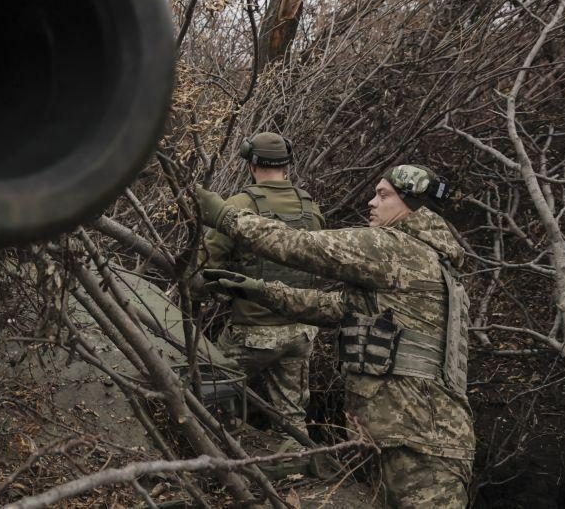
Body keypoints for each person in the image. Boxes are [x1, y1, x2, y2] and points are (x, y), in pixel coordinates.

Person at [197, 164, 475, 508]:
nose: (372, 203)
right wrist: (258, 290)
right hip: (415, 432)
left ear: (414, 205)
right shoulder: (427, 259)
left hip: (421, 439)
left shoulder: (396, 248)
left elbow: (302, 245)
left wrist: (226, 216)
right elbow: (336, 308)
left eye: (383, 195)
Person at [198, 132, 324, 445]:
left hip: (253, 334)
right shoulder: (311, 208)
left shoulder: (238, 206)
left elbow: (207, 265)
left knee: (211, 391)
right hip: (300, 331)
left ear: (252, 164)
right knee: (292, 414)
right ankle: (297, 466)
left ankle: (212, 459)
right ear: (288, 164)